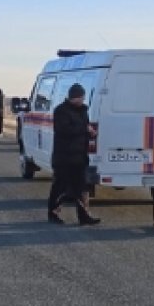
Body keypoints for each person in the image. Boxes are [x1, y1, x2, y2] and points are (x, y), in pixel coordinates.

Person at [47, 83, 100, 225]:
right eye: (80, 97)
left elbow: (85, 130)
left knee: (82, 188)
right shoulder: (61, 111)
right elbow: (64, 130)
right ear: (73, 97)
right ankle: (53, 214)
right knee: (61, 188)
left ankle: (84, 217)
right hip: (64, 157)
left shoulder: (83, 111)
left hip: (80, 156)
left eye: (82, 97)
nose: (82, 100)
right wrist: (84, 129)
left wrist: (91, 133)